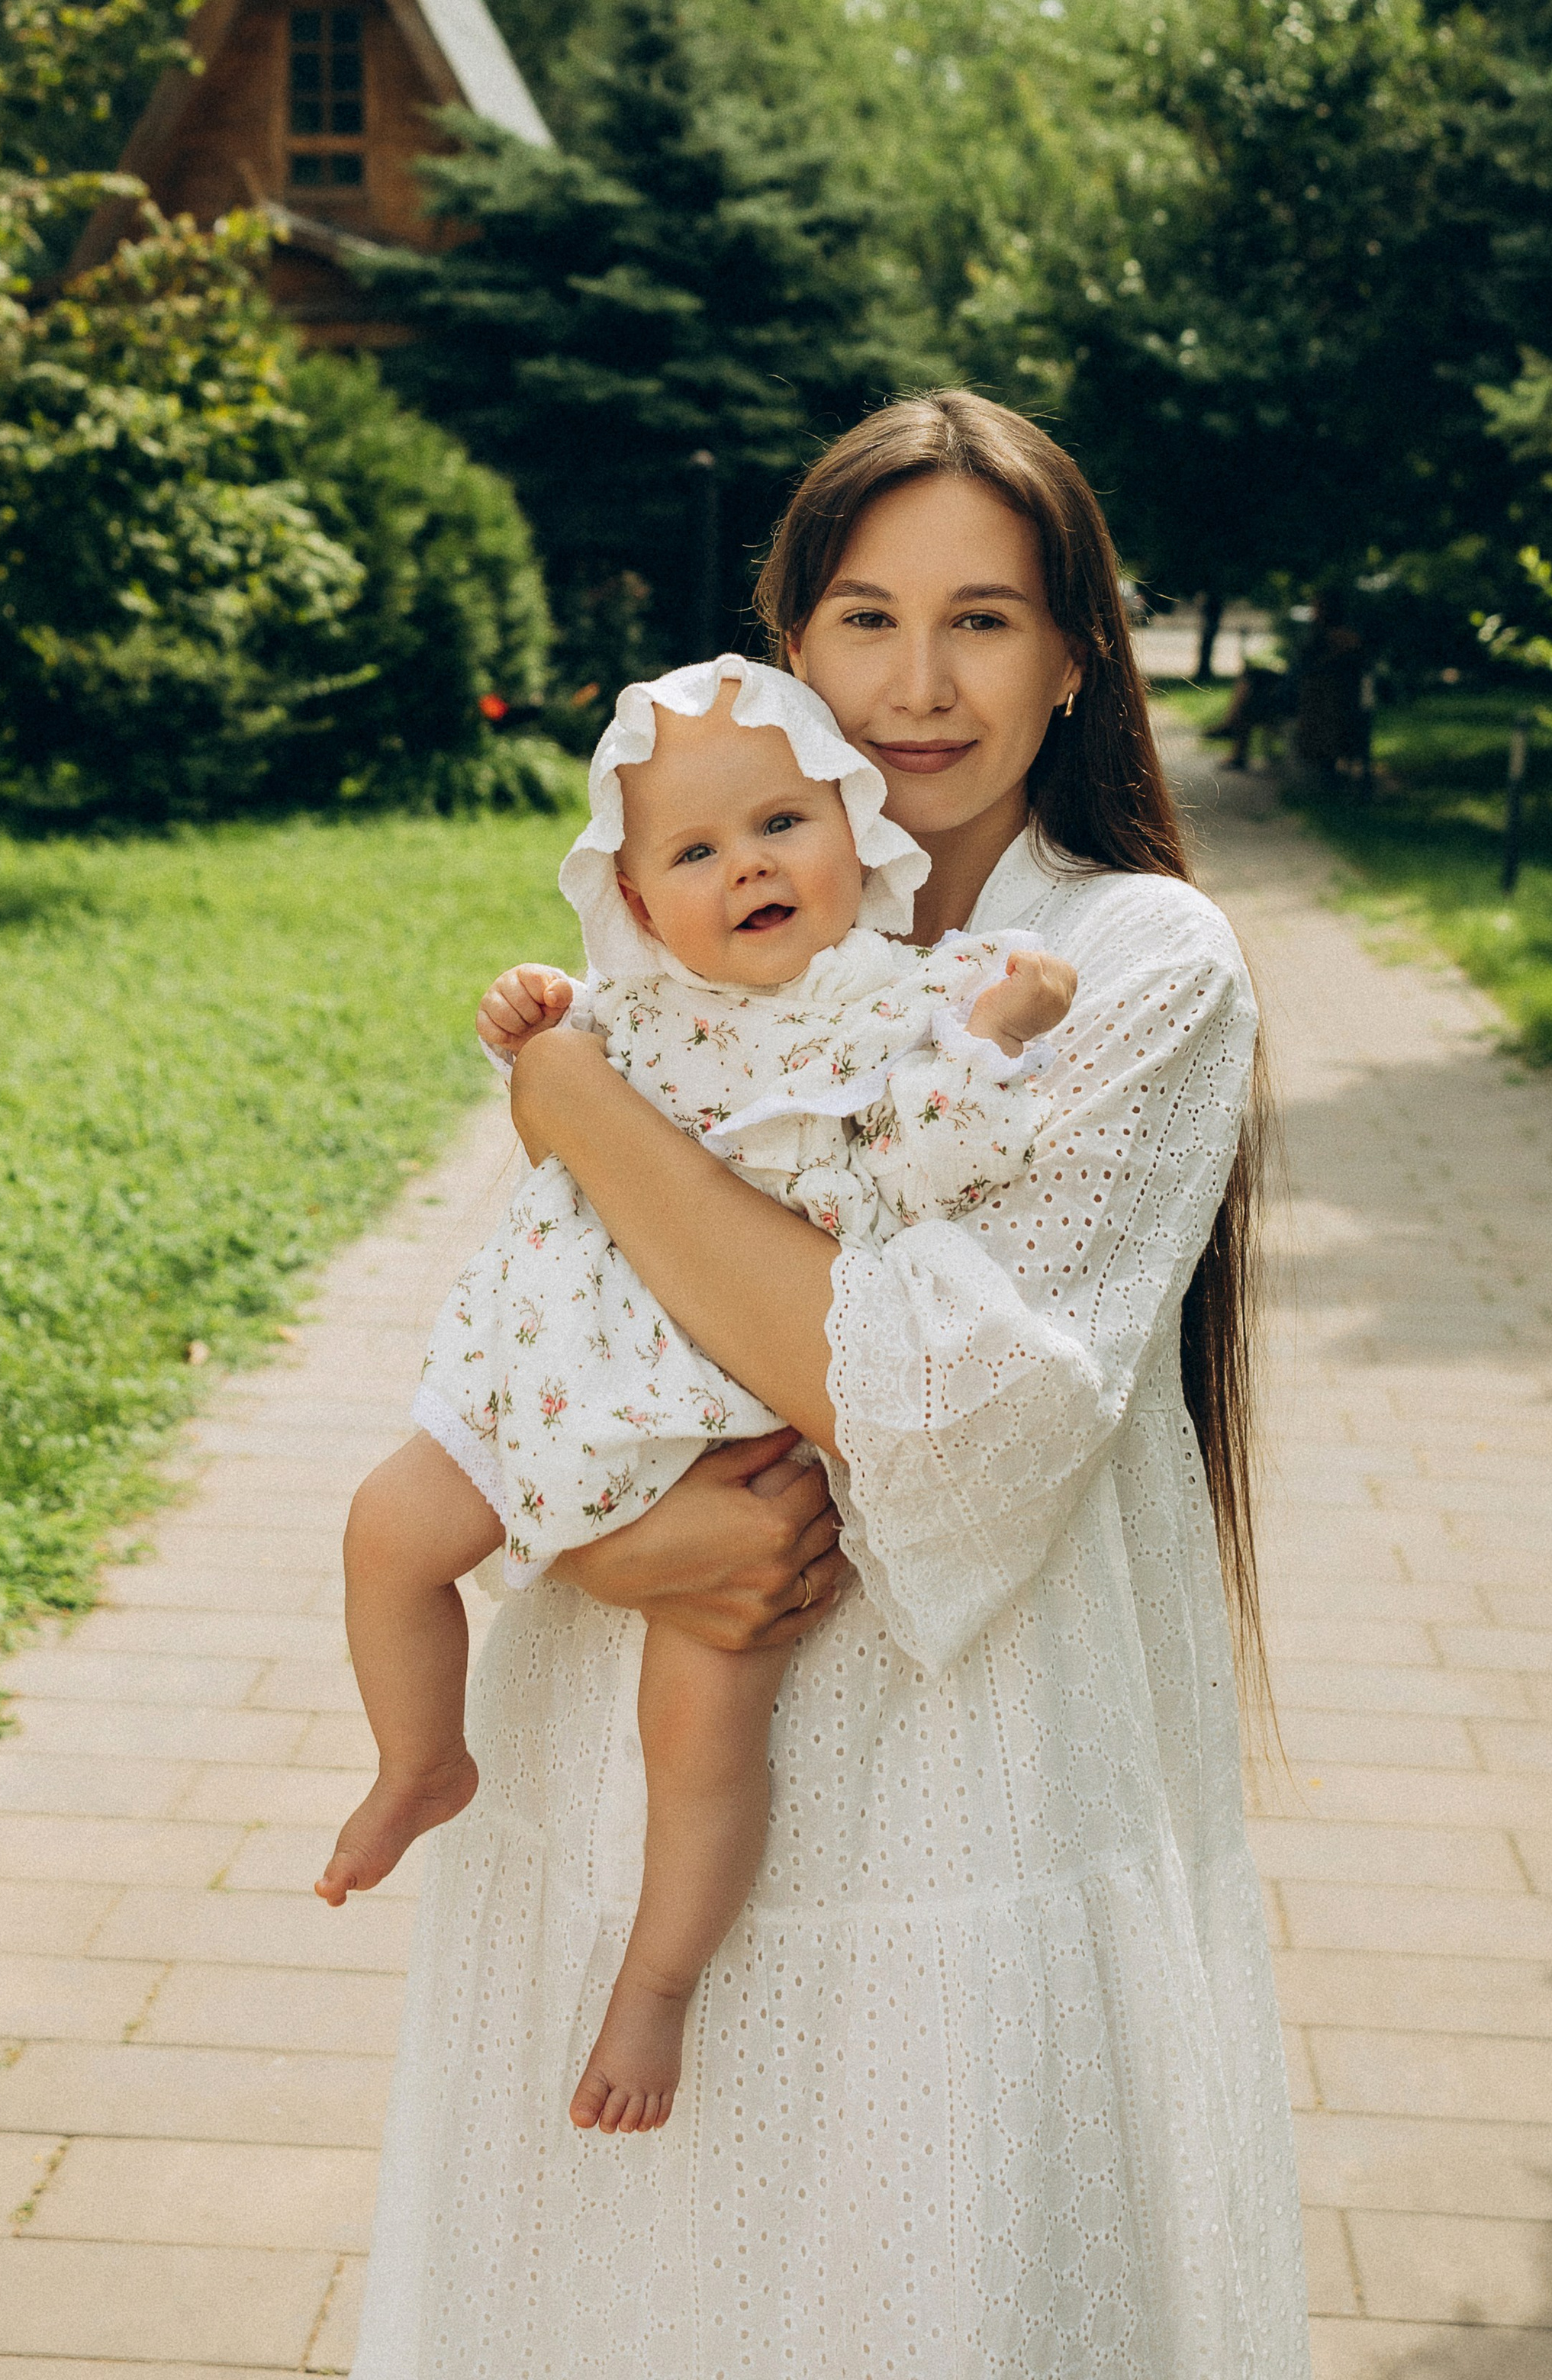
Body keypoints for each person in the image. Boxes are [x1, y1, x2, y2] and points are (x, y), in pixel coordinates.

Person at [352, 392, 1309, 2379]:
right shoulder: (689, 929)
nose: (916, 686)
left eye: (985, 620)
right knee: (624, 2288)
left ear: (1073, 661)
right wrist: (616, 1550)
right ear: (789, 648)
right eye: (864, 619)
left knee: (920, 2280)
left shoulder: (1133, 962)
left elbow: (942, 1408)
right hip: (632, 1726)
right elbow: (563, 1334)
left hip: (978, 1770)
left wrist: (576, 1107)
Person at [314, 654, 1074, 2140]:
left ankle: (657, 1980)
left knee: (702, 1716)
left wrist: (993, 1034)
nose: (747, 867)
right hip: (547, 1377)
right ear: (641, 904)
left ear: (856, 830)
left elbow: (940, 1161)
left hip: (721, 1425)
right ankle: (419, 1758)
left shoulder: (893, 1008)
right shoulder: (638, 1007)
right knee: (386, 1528)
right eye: (694, 851)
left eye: (780, 823)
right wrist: (531, 1012)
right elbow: (558, 1125)